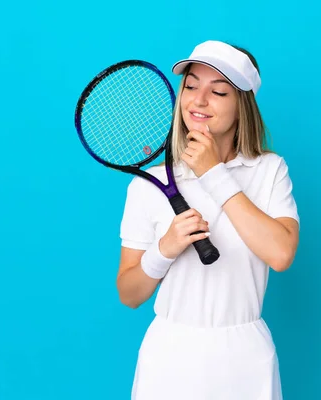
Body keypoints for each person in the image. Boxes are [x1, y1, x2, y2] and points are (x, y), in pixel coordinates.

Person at [116, 40, 300, 400]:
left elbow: (281, 254)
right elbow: (129, 293)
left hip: (246, 359)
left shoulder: (269, 171)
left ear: (242, 105)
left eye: (218, 91)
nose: (198, 101)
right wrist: (164, 249)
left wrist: (214, 173)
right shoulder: (148, 185)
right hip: (169, 357)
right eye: (190, 86)